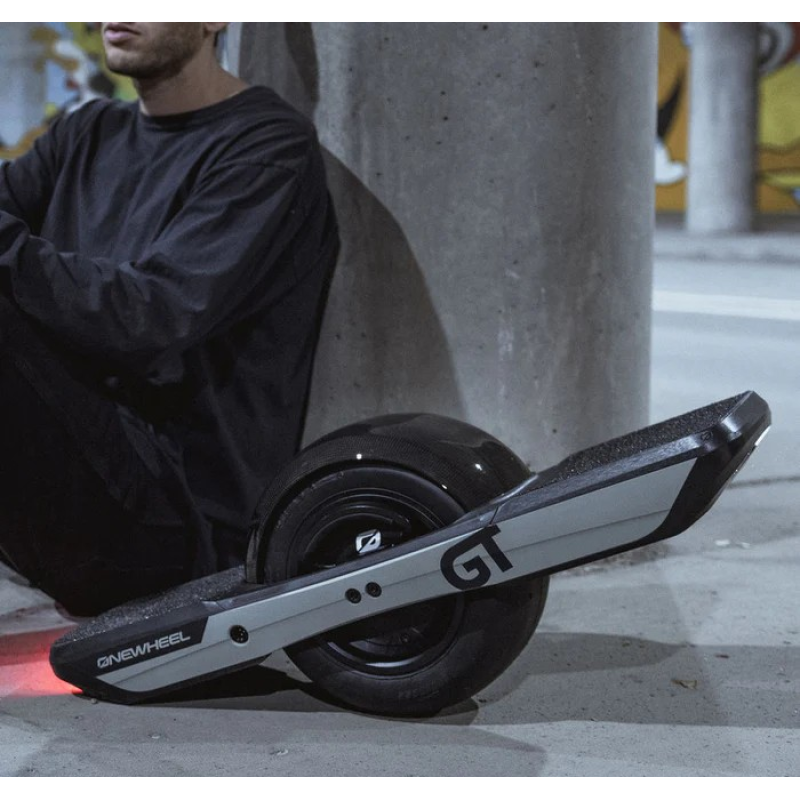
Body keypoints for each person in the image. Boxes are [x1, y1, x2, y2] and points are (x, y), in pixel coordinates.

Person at [0, 23, 339, 616]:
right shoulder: (89, 132)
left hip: (171, 521)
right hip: (71, 487)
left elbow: (151, 319)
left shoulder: (266, 148)